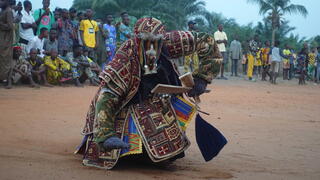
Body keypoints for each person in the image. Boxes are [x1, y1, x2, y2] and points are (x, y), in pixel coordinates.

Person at [75, 17, 223, 170]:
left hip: (157, 95)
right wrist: (106, 135)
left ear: (162, 38)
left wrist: (202, 77)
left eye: (155, 42)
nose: (151, 47)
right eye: (146, 41)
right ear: (137, 39)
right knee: (141, 120)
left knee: (164, 112)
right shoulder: (124, 58)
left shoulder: (171, 41)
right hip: (127, 100)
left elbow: (207, 41)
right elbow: (107, 96)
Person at [0, 0, 14, 81]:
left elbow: (10, 26)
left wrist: (0, 23)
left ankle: (5, 78)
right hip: (2, 38)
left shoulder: (8, 11)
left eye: (2, 0)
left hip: (5, 40)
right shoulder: (3, 11)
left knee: (5, 60)